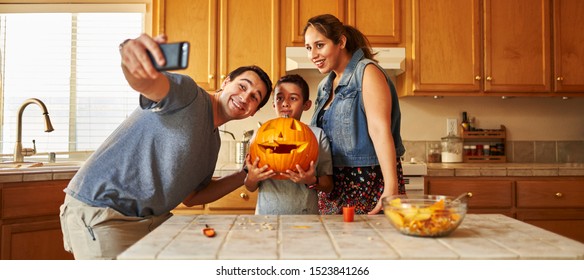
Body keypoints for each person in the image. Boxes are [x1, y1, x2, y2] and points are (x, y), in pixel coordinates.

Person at [59, 33, 273, 260]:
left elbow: (192, 196)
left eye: (254, 97)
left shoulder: (213, 142)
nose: (245, 97)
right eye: (242, 86)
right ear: (226, 81)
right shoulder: (189, 95)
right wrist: (135, 63)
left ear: (253, 111)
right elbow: (150, 84)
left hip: (150, 221)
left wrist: (245, 174)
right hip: (104, 212)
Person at [303, 14, 406, 215]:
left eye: (319, 45)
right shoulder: (326, 85)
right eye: (308, 48)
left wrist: (391, 188)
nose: (312, 54)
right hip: (333, 188)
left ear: (341, 42)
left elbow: (379, 130)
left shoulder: (367, 72)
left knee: (371, 244)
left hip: (367, 183)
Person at [243, 74, 333, 215]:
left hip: (306, 218)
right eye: (279, 98)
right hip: (266, 219)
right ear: (274, 104)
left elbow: (328, 185)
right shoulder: (260, 135)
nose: (285, 103)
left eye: (293, 98)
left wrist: (311, 180)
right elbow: (250, 186)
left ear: (306, 105)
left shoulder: (317, 135)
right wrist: (252, 178)